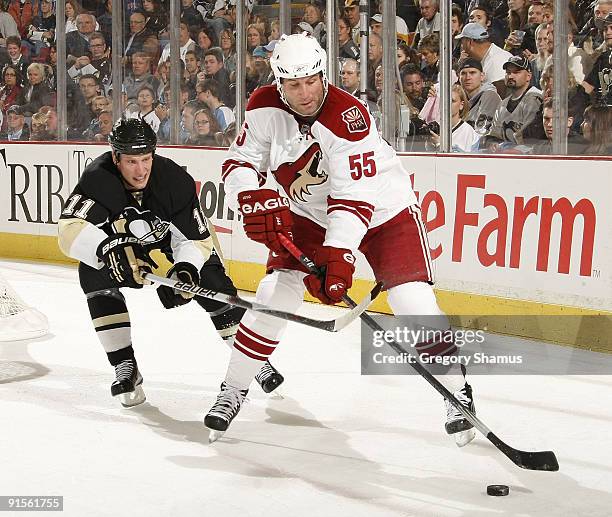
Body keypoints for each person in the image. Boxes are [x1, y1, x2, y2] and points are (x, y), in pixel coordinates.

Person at [205, 33, 478, 446]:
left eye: (312, 80)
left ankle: (457, 393)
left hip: (385, 211)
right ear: (280, 83)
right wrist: (248, 192)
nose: (306, 92)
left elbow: (353, 197)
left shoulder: (347, 116)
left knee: (412, 301)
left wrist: (339, 255)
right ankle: (233, 388)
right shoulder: (263, 106)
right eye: (294, 85)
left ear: (323, 74)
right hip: (313, 214)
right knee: (274, 294)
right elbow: (240, 161)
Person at [57, 118, 284, 408]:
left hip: (176, 246)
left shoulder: (174, 181)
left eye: (146, 159)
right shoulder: (97, 179)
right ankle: (125, 366)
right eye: (131, 161)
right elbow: (68, 230)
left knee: (214, 285)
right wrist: (105, 248)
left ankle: (253, 361)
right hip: (125, 249)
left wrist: (186, 269)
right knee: (92, 272)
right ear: (115, 158)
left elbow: (197, 241)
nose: (141, 171)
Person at [487, 55, 543, 147]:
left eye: (516, 72)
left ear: (529, 76)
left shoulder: (534, 98)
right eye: (508, 72)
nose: (511, 76)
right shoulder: (503, 104)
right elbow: (494, 135)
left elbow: (530, 139)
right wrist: (493, 144)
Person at [427, 84, 481, 152]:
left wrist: (439, 144)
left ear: (461, 105)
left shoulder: (468, 132)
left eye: (452, 101)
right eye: (443, 100)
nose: (447, 104)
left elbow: (464, 161)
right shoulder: (434, 127)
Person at [458, 57, 502, 136]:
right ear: (459, 77)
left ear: (482, 76)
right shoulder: (460, 98)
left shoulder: (490, 96)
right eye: (463, 73)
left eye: (472, 73)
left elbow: (482, 133)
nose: (468, 77)